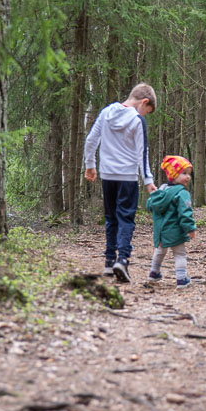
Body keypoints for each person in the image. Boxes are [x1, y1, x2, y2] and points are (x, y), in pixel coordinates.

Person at [83, 83, 158, 282]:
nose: (145, 115)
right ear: (144, 102)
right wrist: (148, 180)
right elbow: (143, 152)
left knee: (111, 218)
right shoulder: (137, 120)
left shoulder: (106, 112)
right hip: (127, 177)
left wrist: (90, 165)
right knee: (126, 218)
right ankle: (122, 260)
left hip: (107, 175)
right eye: (146, 111)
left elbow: (91, 140)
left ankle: (109, 262)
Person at [145, 155, 197, 288]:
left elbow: (150, 206)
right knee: (179, 253)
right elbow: (185, 212)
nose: (188, 177)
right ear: (173, 175)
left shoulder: (161, 190)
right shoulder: (182, 193)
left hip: (161, 231)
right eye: (184, 173)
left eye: (189, 174)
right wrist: (190, 228)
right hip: (175, 231)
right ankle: (181, 279)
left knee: (160, 251)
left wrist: (153, 194)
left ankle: (154, 273)